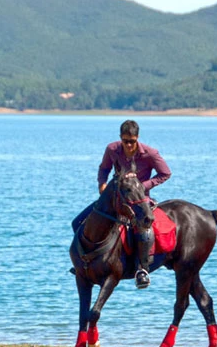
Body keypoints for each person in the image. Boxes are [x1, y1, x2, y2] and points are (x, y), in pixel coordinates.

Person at [71, 120, 171, 289]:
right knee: (77, 222)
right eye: (125, 141)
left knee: (143, 228)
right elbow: (104, 169)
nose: (129, 145)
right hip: (115, 198)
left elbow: (165, 173)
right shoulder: (112, 149)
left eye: (132, 141)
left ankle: (142, 270)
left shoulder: (150, 153)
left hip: (139, 199)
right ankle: (83, 262)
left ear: (137, 138)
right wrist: (101, 184)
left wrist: (142, 186)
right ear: (120, 138)